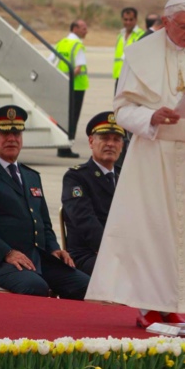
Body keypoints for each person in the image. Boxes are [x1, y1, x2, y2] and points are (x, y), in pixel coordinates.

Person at [86, 0, 185, 327]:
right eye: (183, 26)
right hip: (154, 155)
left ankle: (174, 303)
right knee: (153, 232)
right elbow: (122, 110)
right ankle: (148, 305)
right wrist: (152, 115)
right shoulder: (140, 55)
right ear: (166, 22)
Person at [0, 105, 89, 298]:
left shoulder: (30, 176)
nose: (12, 138)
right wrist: (7, 252)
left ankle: (64, 328)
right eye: (5, 133)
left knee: (85, 285)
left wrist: (54, 248)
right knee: (35, 286)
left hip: (35, 258)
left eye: (17, 133)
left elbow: (44, 223)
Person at [61, 111, 125, 275]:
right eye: (104, 138)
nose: (110, 144)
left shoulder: (126, 176)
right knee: (125, 273)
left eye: (116, 139)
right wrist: (112, 251)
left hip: (121, 252)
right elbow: (85, 221)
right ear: (91, 141)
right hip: (87, 254)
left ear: (122, 146)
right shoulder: (76, 177)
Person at [50, 20, 89, 158]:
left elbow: (50, 61)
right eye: (84, 28)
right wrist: (70, 78)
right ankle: (65, 147)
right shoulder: (78, 45)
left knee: (62, 117)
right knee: (72, 117)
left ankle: (61, 145)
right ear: (75, 28)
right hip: (76, 87)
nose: (86, 31)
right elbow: (78, 68)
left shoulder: (62, 43)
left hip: (62, 85)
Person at [112, 7, 144, 92]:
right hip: (119, 77)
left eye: (131, 20)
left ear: (136, 20)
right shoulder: (120, 36)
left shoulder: (141, 35)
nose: (128, 22)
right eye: (125, 19)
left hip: (132, 78)